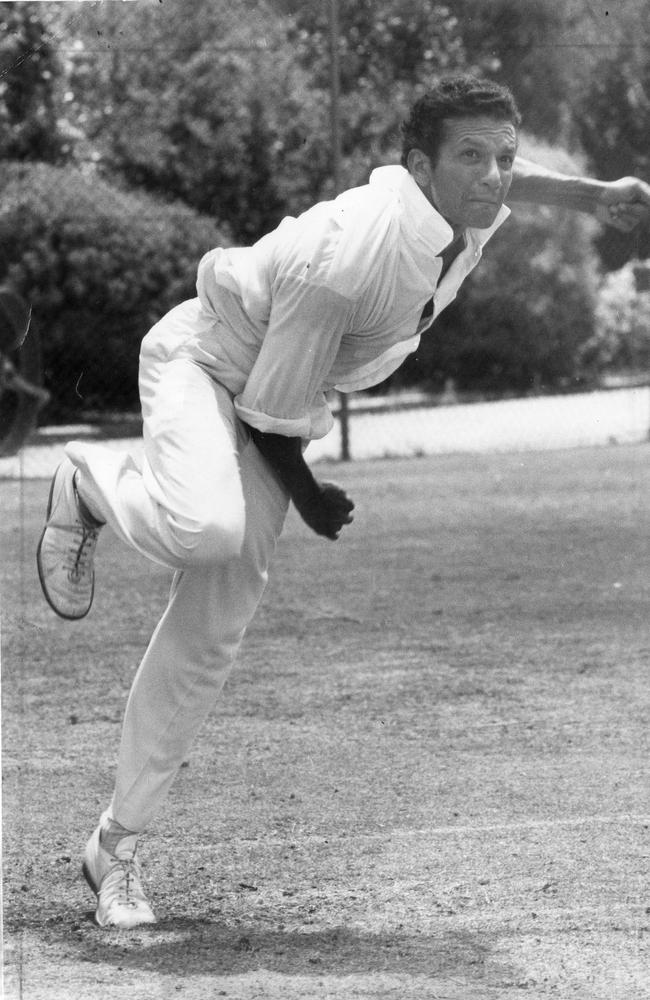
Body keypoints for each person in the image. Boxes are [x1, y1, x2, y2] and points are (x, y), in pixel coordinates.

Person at [36, 75, 650, 930]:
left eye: (501, 156)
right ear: (416, 166)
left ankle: (117, 846)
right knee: (204, 529)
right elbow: (270, 423)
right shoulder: (358, 251)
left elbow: (511, 180)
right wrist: (314, 501)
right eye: (470, 156)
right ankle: (87, 482)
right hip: (205, 364)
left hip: (270, 394)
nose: (493, 176)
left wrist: (593, 195)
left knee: (212, 633)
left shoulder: (458, 206)